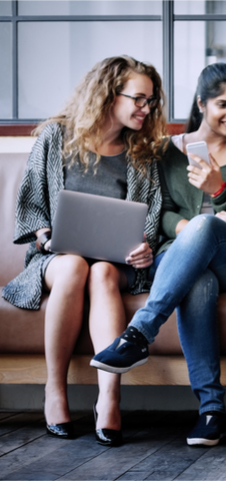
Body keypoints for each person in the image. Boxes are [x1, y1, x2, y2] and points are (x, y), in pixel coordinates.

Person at [91, 63, 226, 447]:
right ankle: (211, 411)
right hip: (181, 261)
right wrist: (186, 227)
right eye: (223, 104)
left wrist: (222, 195)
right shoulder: (165, 152)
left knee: (208, 228)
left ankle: (139, 333)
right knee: (198, 279)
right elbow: (157, 208)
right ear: (201, 103)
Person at [2, 56, 166, 447]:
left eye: (151, 101)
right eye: (139, 99)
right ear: (109, 94)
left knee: (102, 272)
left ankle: (110, 398)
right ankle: (54, 390)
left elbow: (151, 218)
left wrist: (144, 249)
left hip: (116, 265)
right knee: (75, 265)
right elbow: (30, 209)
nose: (147, 108)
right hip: (56, 259)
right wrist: (45, 236)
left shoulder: (142, 151)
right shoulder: (55, 137)